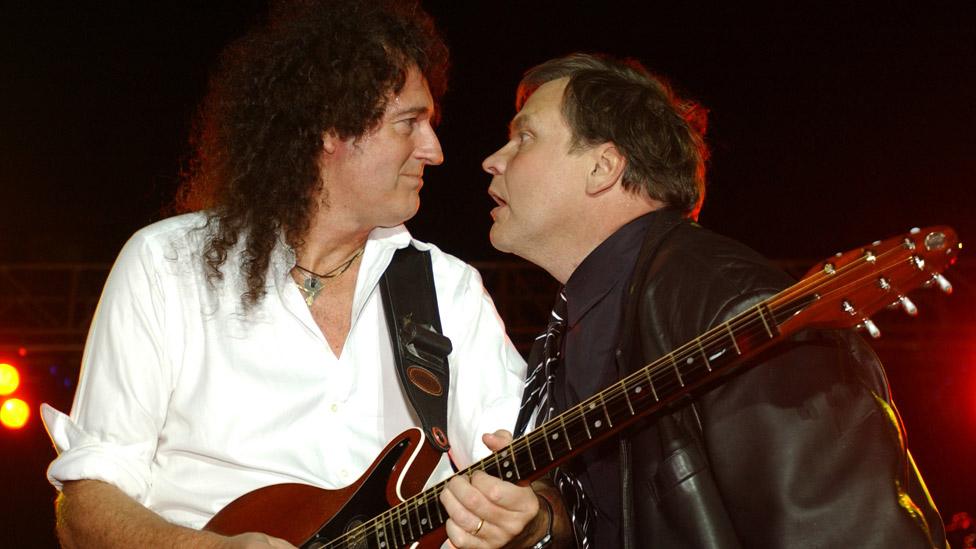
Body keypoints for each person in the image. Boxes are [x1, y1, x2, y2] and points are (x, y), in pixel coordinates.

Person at [41, 2, 536, 547]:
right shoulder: (169, 264)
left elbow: (531, 470)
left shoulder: (449, 288)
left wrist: (533, 517)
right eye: (408, 123)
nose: (435, 150)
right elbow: (85, 505)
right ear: (330, 128)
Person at [481, 52, 948, 547]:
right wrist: (547, 523)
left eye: (524, 137)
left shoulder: (732, 304)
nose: (494, 159)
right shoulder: (572, 333)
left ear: (603, 167)